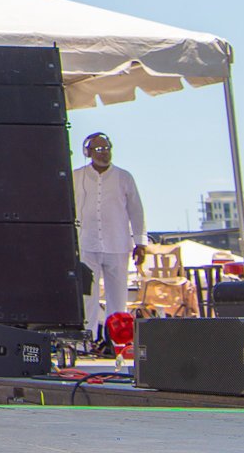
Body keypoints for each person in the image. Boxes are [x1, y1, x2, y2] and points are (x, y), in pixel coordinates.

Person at [74, 132, 147, 344]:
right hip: (86, 244)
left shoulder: (124, 177)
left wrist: (140, 242)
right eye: (98, 149)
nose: (104, 153)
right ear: (87, 152)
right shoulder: (77, 176)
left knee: (118, 297)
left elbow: (136, 210)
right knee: (88, 296)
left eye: (107, 148)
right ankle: (87, 342)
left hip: (117, 243)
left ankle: (118, 343)